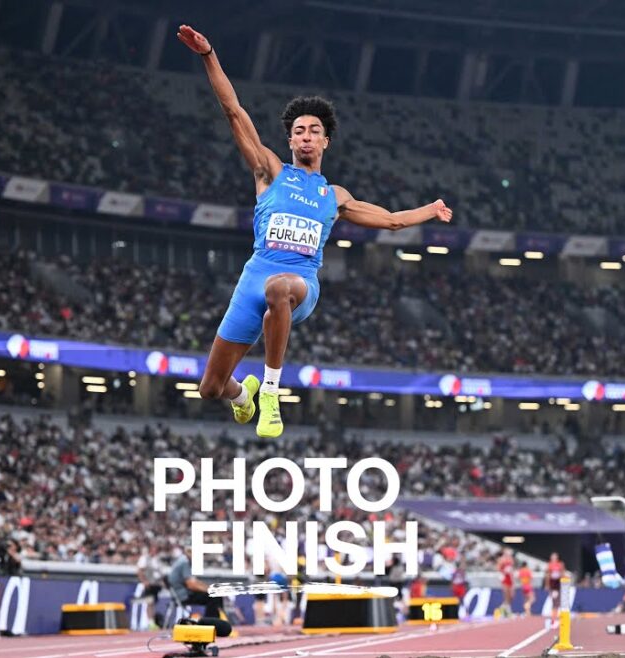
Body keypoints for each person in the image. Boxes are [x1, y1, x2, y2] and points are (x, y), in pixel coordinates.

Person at [177, 24, 454, 439]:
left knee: (279, 287)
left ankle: (271, 391)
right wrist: (208, 54)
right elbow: (234, 110)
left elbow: (392, 220)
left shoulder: (335, 195)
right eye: (300, 131)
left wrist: (430, 210)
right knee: (211, 387)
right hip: (252, 280)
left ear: (326, 143)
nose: (307, 136)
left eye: (315, 131)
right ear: (290, 140)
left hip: (299, 285)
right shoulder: (269, 170)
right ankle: (245, 396)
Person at [166, 543, 225, 620]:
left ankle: (218, 621)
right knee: (214, 596)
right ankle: (211, 623)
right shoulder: (184, 562)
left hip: (182, 594)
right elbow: (191, 585)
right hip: (183, 596)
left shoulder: (182, 561)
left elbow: (195, 582)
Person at [135, 544, 164, 630]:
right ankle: (150, 622)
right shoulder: (145, 558)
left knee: (153, 603)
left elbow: (159, 573)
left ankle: (152, 621)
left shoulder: (157, 559)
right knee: (149, 603)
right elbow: (140, 571)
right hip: (149, 584)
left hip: (156, 585)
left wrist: (161, 582)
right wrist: (144, 581)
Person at [545, 552, 566, 624]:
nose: (553, 558)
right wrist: (547, 585)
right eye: (552, 557)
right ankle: (554, 618)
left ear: (557, 557)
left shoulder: (560, 564)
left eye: (555, 557)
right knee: (554, 601)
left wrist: (564, 584)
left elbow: (563, 573)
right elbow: (548, 575)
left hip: (558, 584)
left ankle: (556, 617)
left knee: (558, 602)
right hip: (553, 585)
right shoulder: (549, 565)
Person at [496, 548, 515, 617]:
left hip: (510, 579)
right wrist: (502, 574)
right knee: (506, 596)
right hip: (505, 579)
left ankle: (503, 609)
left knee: (511, 596)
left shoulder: (511, 559)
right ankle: (506, 612)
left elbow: (512, 570)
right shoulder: (501, 559)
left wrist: (513, 580)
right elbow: (498, 568)